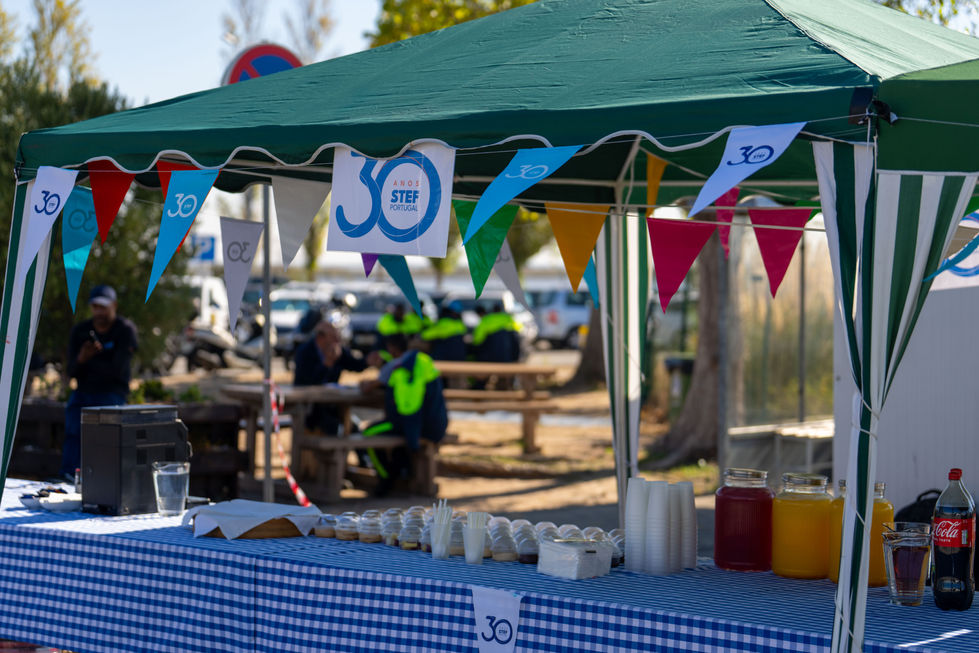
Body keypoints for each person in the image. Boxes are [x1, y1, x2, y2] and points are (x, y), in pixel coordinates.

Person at [62, 285, 139, 479]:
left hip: (111, 393)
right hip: (83, 391)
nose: (99, 312)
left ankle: (106, 478)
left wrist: (91, 360)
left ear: (114, 306)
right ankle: (69, 475)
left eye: (103, 307)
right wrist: (82, 358)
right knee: (73, 429)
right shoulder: (80, 331)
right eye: (95, 306)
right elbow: (71, 370)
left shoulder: (125, 330)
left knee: (107, 437)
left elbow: (117, 371)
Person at [360, 334, 447, 497]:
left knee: (365, 434)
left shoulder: (404, 370)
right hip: (434, 424)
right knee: (392, 442)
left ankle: (386, 478)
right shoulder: (422, 361)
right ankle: (399, 471)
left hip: (420, 427)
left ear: (392, 348)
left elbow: (409, 409)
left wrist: (412, 442)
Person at [293, 321, 374, 435]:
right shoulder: (305, 352)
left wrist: (368, 361)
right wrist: (327, 365)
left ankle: (363, 453)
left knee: (353, 429)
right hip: (310, 408)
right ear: (321, 337)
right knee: (335, 428)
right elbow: (306, 382)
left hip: (331, 404)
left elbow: (354, 364)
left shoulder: (336, 350)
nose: (337, 341)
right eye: (334, 337)